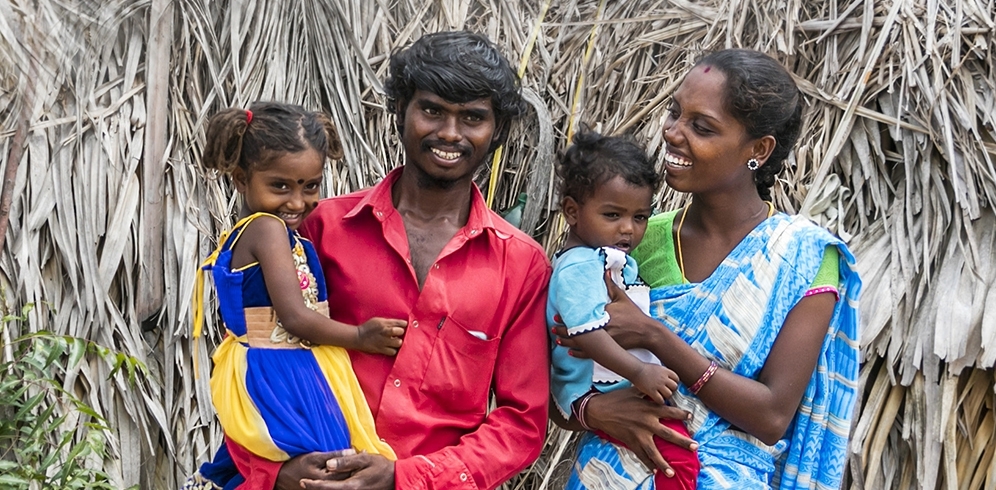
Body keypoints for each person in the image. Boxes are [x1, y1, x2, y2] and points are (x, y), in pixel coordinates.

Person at [223, 31, 551, 490]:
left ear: (495, 131)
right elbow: (248, 353)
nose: (450, 133)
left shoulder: (521, 266)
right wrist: (275, 472)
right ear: (401, 112)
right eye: (432, 110)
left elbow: (522, 424)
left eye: (472, 117)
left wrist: (405, 477)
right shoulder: (320, 230)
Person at [554, 49, 861, 489]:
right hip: (606, 473)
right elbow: (565, 371)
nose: (673, 133)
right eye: (675, 113)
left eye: (701, 127)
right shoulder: (629, 242)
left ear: (758, 149)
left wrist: (653, 334)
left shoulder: (802, 258)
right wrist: (597, 412)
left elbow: (771, 416)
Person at [186, 102, 404, 489]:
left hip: (274, 365)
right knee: (328, 462)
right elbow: (293, 317)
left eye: (310, 186)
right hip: (283, 370)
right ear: (240, 179)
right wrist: (360, 337)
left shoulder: (264, 232)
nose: (297, 202)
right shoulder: (267, 230)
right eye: (280, 186)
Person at [548, 130, 699, 490]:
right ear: (572, 211)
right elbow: (587, 334)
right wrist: (640, 371)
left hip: (612, 389)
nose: (628, 229)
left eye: (640, 217)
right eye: (613, 214)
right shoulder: (578, 266)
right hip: (592, 392)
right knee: (677, 461)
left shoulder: (609, 259)